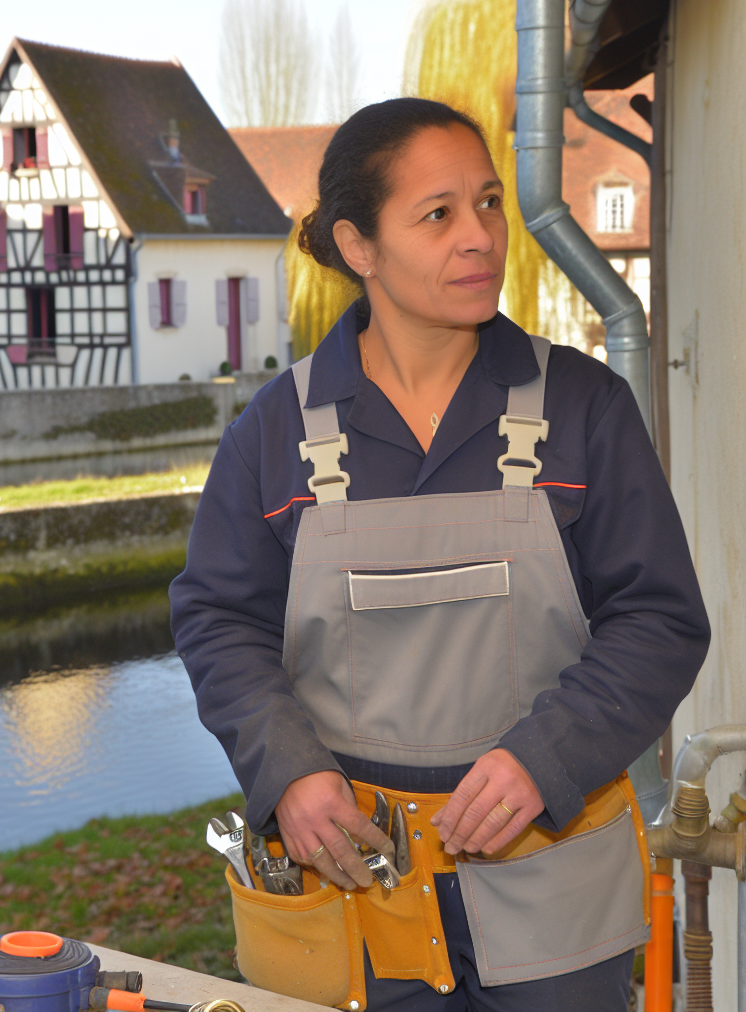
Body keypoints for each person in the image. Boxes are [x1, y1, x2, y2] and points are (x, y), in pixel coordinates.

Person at [169, 98, 709, 1011]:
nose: (482, 238)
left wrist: (548, 758)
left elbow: (659, 620)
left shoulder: (586, 409)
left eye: (491, 203)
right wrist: (286, 770)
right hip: (355, 886)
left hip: (555, 893)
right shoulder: (275, 433)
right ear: (359, 246)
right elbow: (219, 620)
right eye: (440, 214)